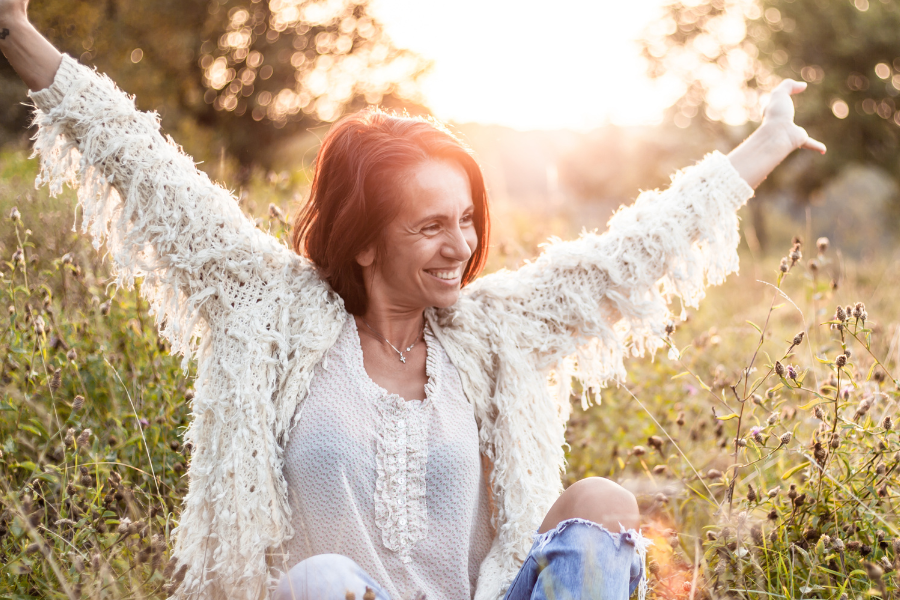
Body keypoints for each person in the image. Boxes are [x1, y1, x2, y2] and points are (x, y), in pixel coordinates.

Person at [0, 1, 825, 599]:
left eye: (467, 220)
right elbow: (152, 174)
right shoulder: (272, 310)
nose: (461, 246)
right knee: (321, 579)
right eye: (431, 226)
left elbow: (628, 257)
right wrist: (24, 41)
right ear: (363, 238)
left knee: (602, 503)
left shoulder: (489, 329)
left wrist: (763, 143)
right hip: (331, 595)